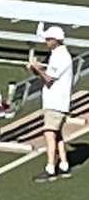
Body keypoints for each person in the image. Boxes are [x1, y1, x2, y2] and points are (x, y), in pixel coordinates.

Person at [30, 25, 73, 182]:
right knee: (57, 135)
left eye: (48, 39)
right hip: (56, 102)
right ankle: (63, 165)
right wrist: (37, 69)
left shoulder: (60, 57)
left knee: (49, 133)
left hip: (56, 103)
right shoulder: (59, 55)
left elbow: (48, 79)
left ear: (56, 40)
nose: (46, 42)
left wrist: (37, 69)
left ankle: (50, 167)